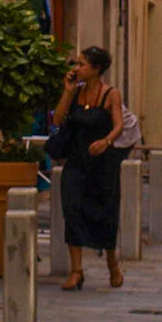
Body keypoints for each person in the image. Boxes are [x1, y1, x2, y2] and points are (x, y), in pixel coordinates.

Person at [53, 46, 126, 290]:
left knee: (104, 214)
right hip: (76, 162)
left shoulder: (111, 94)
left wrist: (106, 142)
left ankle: (112, 264)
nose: (77, 68)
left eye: (82, 64)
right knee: (72, 210)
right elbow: (57, 119)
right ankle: (76, 271)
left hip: (102, 165)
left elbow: (119, 126)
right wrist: (67, 91)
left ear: (96, 69)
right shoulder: (76, 92)